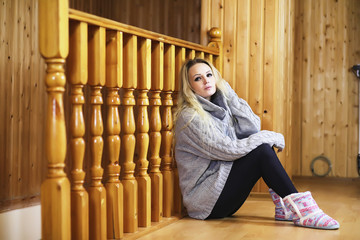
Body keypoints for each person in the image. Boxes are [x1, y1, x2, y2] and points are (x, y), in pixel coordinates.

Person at [173, 58, 339, 230]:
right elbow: (226, 150)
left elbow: (251, 127)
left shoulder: (220, 106)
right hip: (205, 202)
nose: (206, 80)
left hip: (221, 193)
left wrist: (229, 94)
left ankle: (285, 207)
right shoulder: (190, 116)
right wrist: (269, 136)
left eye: (209, 75)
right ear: (190, 86)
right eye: (198, 78)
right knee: (261, 150)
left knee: (262, 147)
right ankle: (303, 210)